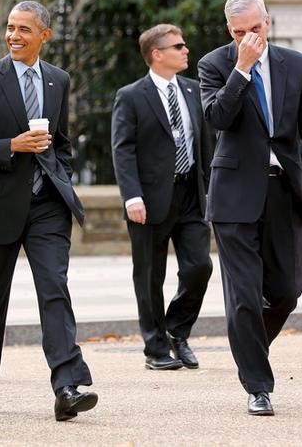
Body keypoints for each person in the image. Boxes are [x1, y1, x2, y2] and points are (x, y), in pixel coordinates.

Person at [0, 0, 97, 422]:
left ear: (44, 36)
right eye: (10, 27)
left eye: (24, 30)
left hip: (47, 205)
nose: (13, 36)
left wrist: (61, 175)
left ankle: (67, 385)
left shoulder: (58, 81)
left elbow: (62, 141)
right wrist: (9, 147)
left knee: (55, 289)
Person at [197, 0, 302, 416]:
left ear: (267, 22)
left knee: (288, 291)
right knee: (243, 295)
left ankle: (249, 347)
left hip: (284, 191)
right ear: (229, 31)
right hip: (235, 194)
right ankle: (258, 385)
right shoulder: (214, 64)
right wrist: (241, 68)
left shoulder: (295, 64)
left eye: (254, 29)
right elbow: (217, 119)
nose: (248, 37)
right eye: (239, 32)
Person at [111, 24, 213, 371]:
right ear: (157, 54)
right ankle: (156, 348)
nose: (186, 50)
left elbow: (204, 145)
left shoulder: (193, 90)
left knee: (200, 266)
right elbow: (122, 150)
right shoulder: (131, 95)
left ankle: (176, 330)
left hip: (190, 194)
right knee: (150, 276)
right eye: (178, 46)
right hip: (150, 199)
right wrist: (131, 196)